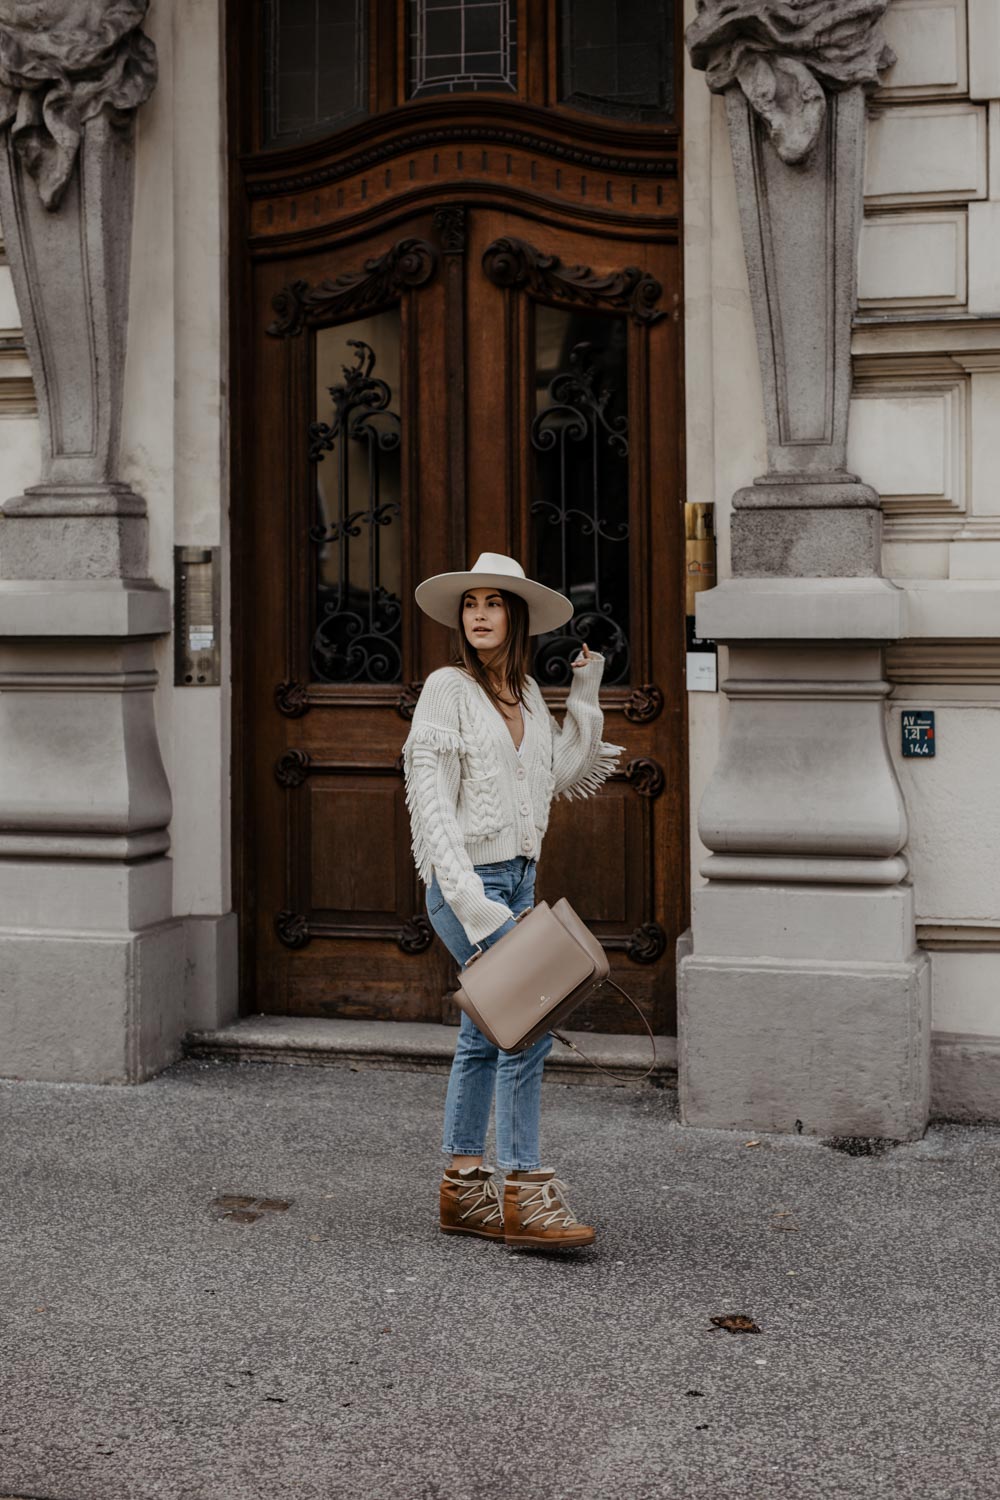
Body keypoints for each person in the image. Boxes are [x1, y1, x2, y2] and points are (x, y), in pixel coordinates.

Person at [403, 552, 622, 1251]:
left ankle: (465, 1189)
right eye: (471, 604)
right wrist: (470, 900)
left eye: (494, 603)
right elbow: (431, 803)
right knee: (526, 1021)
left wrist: (584, 690)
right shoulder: (447, 688)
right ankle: (525, 1191)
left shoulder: (526, 692)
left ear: (515, 616)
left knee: (486, 1031)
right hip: (467, 883)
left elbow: (562, 775)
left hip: (520, 882)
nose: (479, 614)